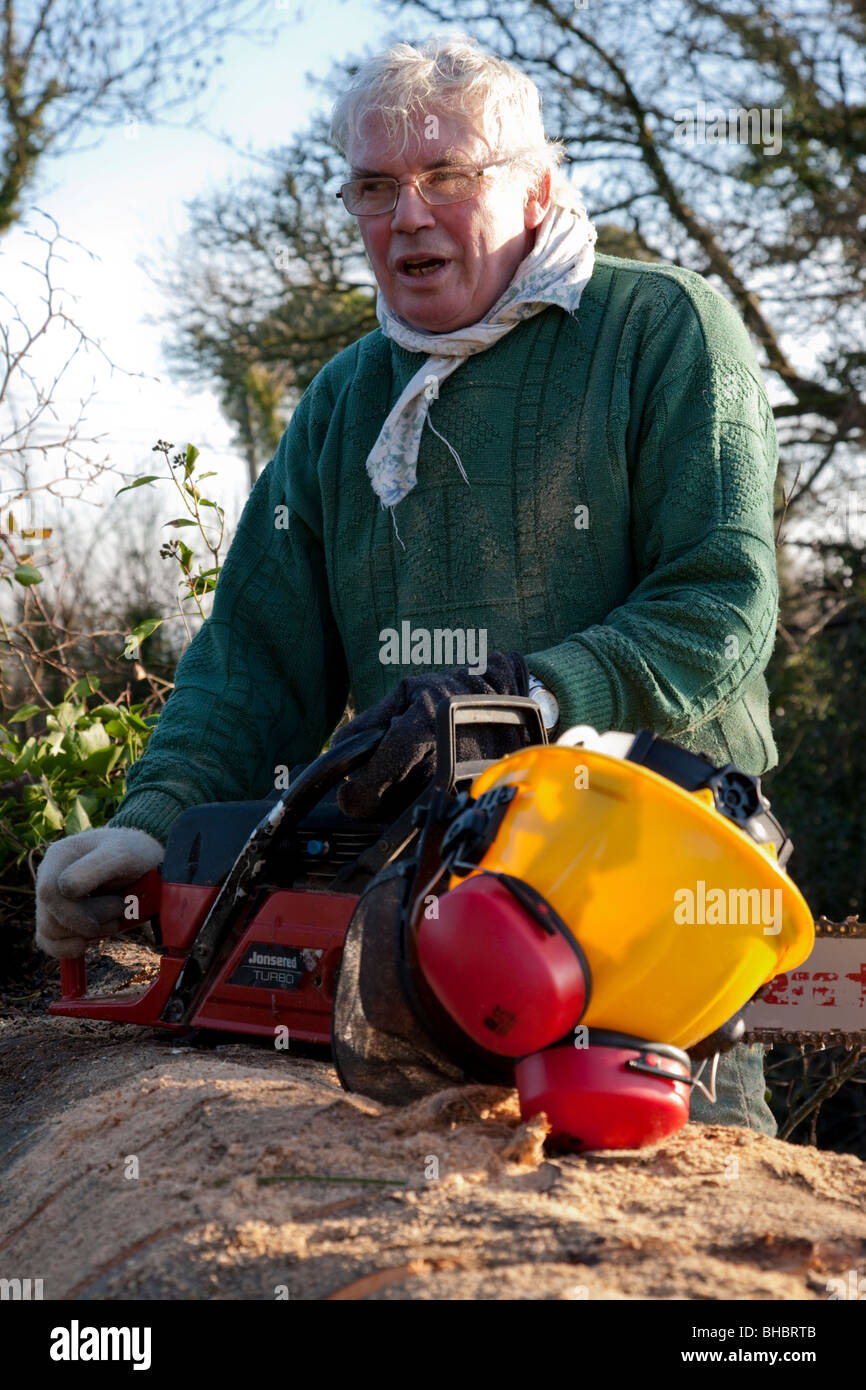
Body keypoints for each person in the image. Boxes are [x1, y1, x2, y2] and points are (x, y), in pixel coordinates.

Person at [35, 35, 782, 1135]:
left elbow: (718, 604)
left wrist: (523, 696)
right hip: (421, 928)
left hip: (648, 889)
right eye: (376, 188)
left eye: (447, 177)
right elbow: (250, 662)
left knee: (665, 1213)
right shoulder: (346, 398)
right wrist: (154, 827)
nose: (408, 215)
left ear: (534, 186)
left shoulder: (659, 329)